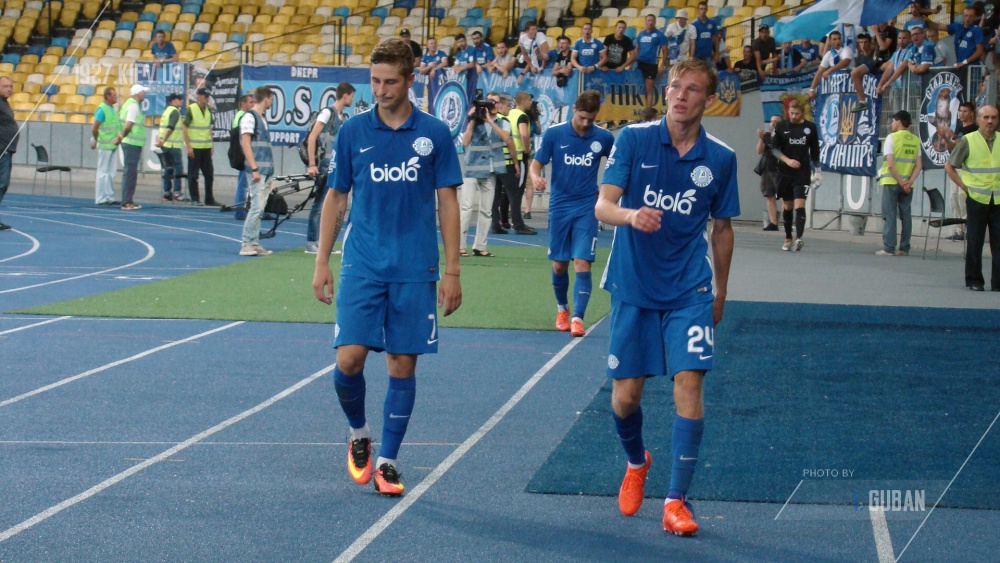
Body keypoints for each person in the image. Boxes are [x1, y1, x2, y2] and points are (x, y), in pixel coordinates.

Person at [312, 37, 463, 497]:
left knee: (402, 364)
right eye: (375, 81)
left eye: (390, 82)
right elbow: (336, 197)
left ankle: (389, 462)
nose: (380, 90)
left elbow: (448, 202)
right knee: (348, 359)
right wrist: (321, 261)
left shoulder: (434, 133)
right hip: (362, 263)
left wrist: (453, 270)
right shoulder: (354, 131)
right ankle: (359, 432)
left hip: (415, 268)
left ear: (410, 78)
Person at [594, 58, 738, 537]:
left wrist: (721, 292)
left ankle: (676, 501)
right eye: (676, 86)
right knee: (625, 398)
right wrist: (631, 215)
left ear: (708, 100)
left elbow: (722, 229)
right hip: (633, 285)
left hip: (690, 288)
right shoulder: (633, 139)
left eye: (692, 89)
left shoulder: (720, 158)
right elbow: (603, 205)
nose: (680, 95)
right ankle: (638, 461)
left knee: (689, 384)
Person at [529, 90, 613, 337]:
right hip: (560, 206)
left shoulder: (604, 137)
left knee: (582, 262)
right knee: (559, 265)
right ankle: (562, 309)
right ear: (574, 109)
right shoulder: (555, 133)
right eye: (582, 117)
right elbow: (536, 164)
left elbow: (619, 165)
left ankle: (578, 317)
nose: (586, 123)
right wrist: (535, 177)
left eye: (591, 119)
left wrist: (608, 192)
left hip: (587, 207)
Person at [944, 104, 1000, 291]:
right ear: (978, 120)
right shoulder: (968, 140)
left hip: (998, 199)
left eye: (993, 117)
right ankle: (975, 280)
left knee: (999, 243)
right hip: (976, 198)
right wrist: (963, 186)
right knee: (975, 241)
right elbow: (950, 166)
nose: (990, 121)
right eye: (986, 117)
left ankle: (998, 282)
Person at [460, 91, 517, 257]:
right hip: (473, 168)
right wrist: (472, 120)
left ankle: (480, 246)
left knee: (487, 211)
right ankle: (460, 245)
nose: (493, 105)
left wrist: (490, 121)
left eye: (496, 102)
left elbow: (506, 138)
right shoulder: (475, 120)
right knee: (466, 208)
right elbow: (465, 142)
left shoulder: (503, 122)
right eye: (490, 102)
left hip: (491, 170)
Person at [305, 82, 355, 254]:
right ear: (345, 95)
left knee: (331, 206)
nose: (353, 100)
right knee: (320, 205)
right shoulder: (327, 113)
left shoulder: (343, 118)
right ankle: (312, 242)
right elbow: (312, 137)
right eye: (351, 96)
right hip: (325, 165)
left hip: (336, 166)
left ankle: (324, 244)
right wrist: (312, 164)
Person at [771, 99, 820, 251]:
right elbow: (774, 149)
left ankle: (799, 238)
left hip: (802, 172)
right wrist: (788, 161)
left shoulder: (810, 127)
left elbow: (815, 151)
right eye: (791, 113)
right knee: (788, 206)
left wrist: (818, 170)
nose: (793, 116)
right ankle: (788, 238)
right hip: (784, 172)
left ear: (802, 113)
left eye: (797, 114)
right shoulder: (781, 126)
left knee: (800, 204)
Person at [876, 110, 922, 257]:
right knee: (906, 216)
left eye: (893, 121)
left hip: (891, 181)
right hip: (908, 184)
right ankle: (904, 248)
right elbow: (918, 165)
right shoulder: (915, 140)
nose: (891, 124)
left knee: (889, 214)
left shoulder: (892, 138)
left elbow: (890, 165)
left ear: (899, 121)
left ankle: (889, 247)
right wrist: (908, 182)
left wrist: (901, 182)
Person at [238, 86, 276, 257]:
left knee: (260, 208)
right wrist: (254, 168)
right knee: (256, 207)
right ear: (266, 98)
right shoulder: (249, 117)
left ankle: (254, 242)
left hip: (266, 169)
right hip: (257, 169)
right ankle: (246, 243)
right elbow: (245, 143)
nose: (272, 102)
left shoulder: (262, 119)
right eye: (271, 99)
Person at [941, 101, 978, 241]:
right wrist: (945, 137)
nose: (962, 114)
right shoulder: (960, 128)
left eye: (965, 111)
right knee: (954, 198)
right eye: (960, 111)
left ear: (972, 113)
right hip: (955, 167)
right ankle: (958, 229)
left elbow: (965, 146)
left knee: (963, 199)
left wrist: (954, 136)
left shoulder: (974, 130)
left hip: (966, 168)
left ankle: (968, 228)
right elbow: (954, 147)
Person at [503, 92, 538, 234]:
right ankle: (518, 224)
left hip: (507, 156)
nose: (531, 102)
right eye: (529, 99)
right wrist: (527, 149)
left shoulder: (509, 113)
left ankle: (504, 219)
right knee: (517, 190)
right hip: (518, 156)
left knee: (507, 191)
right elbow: (524, 134)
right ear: (523, 101)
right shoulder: (522, 116)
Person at [184, 87, 217, 206]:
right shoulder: (192, 109)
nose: (207, 99)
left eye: (208, 97)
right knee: (193, 175)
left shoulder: (208, 110)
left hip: (206, 147)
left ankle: (209, 199)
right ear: (198, 96)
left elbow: (209, 128)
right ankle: (195, 198)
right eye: (205, 96)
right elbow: (185, 128)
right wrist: (188, 146)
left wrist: (211, 145)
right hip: (195, 147)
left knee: (209, 174)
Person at [118, 84, 148, 210]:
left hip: (130, 142)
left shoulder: (128, 104)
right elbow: (129, 124)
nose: (144, 94)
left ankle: (128, 199)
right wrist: (122, 135)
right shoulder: (134, 106)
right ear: (137, 93)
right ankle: (127, 201)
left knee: (130, 172)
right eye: (143, 92)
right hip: (131, 143)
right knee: (130, 173)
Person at [89, 86, 121, 206]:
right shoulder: (102, 110)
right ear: (108, 96)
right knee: (102, 172)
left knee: (111, 172)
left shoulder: (113, 109)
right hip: (105, 145)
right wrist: (96, 139)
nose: (116, 97)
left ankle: (109, 196)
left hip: (113, 144)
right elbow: (95, 128)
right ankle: (100, 197)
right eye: (114, 95)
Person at [156, 93, 185, 202]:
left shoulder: (166, 112)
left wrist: (161, 140)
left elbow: (162, 128)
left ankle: (167, 192)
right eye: (179, 99)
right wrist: (164, 139)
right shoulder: (175, 112)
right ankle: (177, 192)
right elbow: (170, 127)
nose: (181, 101)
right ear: (173, 100)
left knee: (168, 169)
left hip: (165, 146)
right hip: (173, 145)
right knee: (178, 169)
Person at [808, 30, 854, 100]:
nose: (837, 41)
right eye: (834, 39)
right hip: (836, 87)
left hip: (849, 85)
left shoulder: (846, 49)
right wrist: (812, 89)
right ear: (829, 41)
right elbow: (820, 71)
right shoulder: (829, 54)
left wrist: (829, 70)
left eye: (839, 39)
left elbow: (845, 62)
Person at [636, 14, 669, 109]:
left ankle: (648, 111)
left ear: (655, 22)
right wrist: (632, 63)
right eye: (649, 20)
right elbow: (637, 49)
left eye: (652, 20)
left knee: (649, 89)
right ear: (645, 22)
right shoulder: (641, 34)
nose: (650, 22)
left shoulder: (659, 35)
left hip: (651, 64)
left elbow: (665, 50)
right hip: (640, 63)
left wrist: (662, 65)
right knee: (638, 88)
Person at [757, 114, 783, 231]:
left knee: (784, 196)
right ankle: (773, 222)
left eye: (776, 122)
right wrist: (761, 138)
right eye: (772, 121)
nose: (773, 123)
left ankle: (787, 221)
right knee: (769, 195)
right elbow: (759, 150)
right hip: (768, 168)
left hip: (780, 169)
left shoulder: (784, 136)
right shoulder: (767, 136)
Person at [232, 93, 254, 219]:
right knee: (243, 183)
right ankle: (240, 210)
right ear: (243, 103)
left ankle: (245, 209)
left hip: (244, 154)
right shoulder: (243, 117)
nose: (253, 105)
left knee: (246, 183)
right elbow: (242, 138)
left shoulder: (242, 116)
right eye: (250, 102)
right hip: (244, 155)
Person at [0, 76, 18, 230]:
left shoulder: (4, 103)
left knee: (2, 185)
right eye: (5, 86)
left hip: (7, 150)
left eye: (11, 86)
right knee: (2, 184)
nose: (9, 89)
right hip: (2, 150)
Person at [849, 33, 881, 112]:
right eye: (861, 42)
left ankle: (862, 102)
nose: (863, 45)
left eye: (865, 42)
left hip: (877, 82)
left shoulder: (874, 53)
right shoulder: (860, 57)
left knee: (854, 73)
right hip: (867, 87)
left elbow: (874, 64)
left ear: (870, 43)